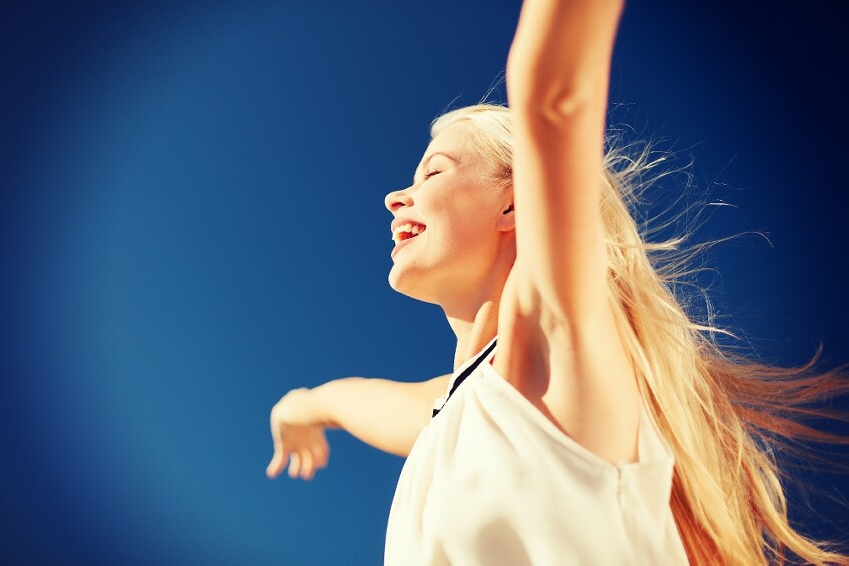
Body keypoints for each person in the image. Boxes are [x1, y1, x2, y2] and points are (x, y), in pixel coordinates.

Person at [266, 0, 849, 563]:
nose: (396, 196)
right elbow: (352, 399)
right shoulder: (454, 406)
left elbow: (555, 96)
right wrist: (299, 408)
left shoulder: (549, 345)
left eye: (435, 171)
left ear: (516, 205)